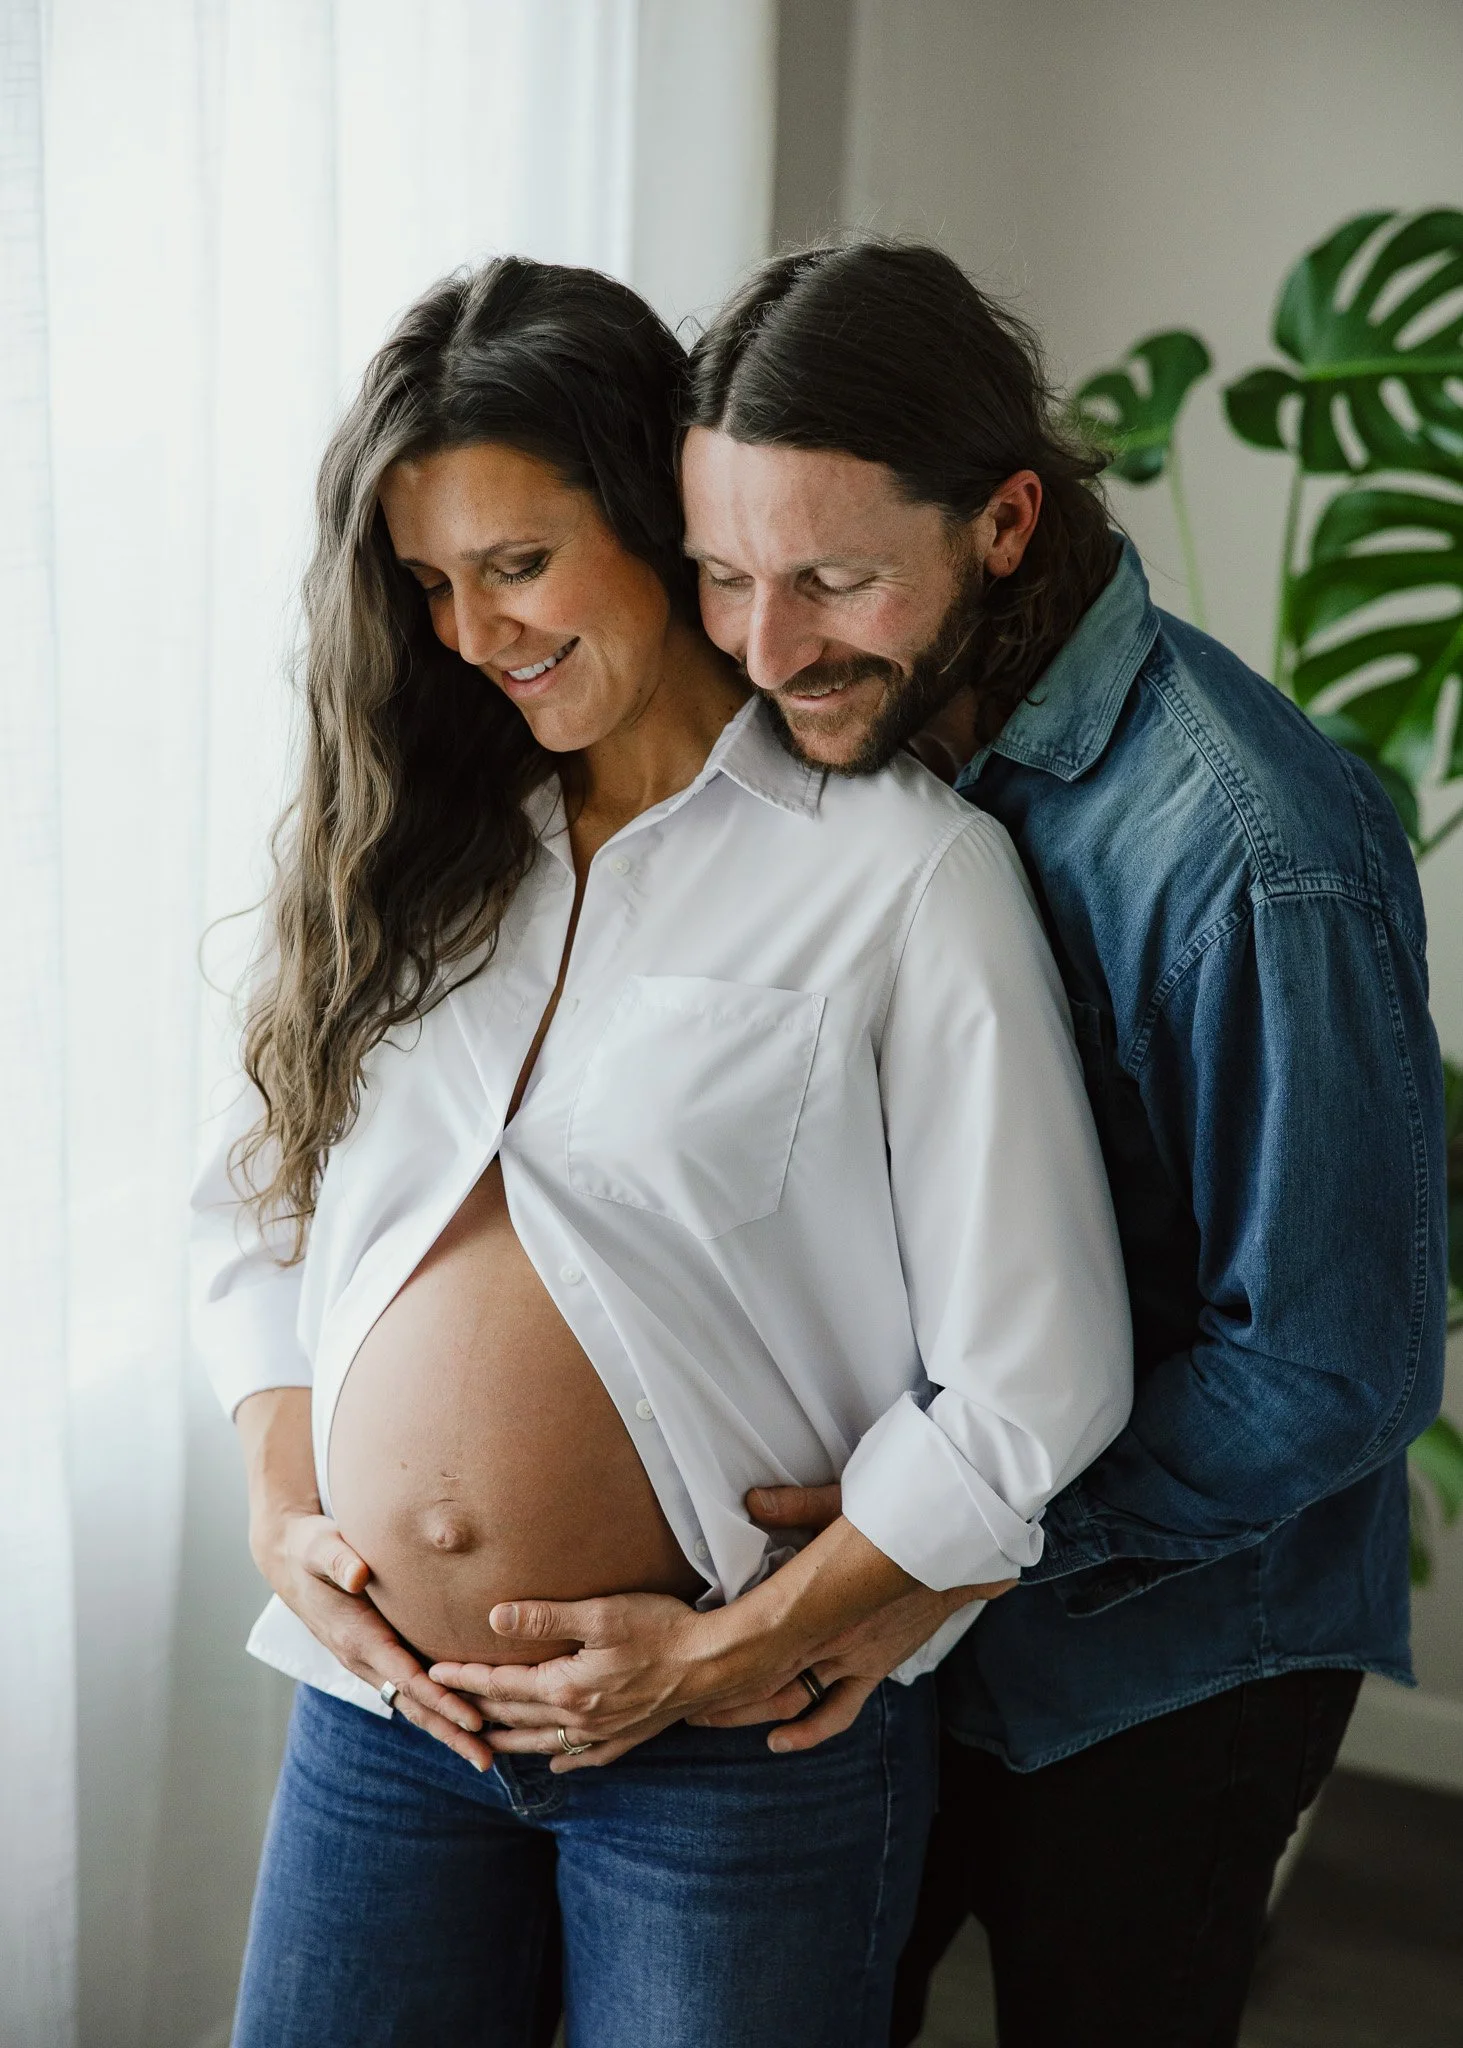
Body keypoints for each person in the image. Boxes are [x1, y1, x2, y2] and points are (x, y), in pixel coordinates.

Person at [456, 242, 1448, 2048]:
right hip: (884, 1627)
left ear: (1002, 522)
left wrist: (937, 1541)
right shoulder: (848, 727)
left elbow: (1329, 1365)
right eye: (724, 575)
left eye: (834, 578)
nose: (765, 650)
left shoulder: (1243, 854)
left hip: (1161, 1666)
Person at [190, 255, 1131, 2048]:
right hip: (385, 1720)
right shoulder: (408, 842)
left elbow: (1040, 1372)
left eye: (519, 563)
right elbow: (250, 1210)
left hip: (729, 1753)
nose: (474, 633)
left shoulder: (899, 876)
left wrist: (742, 1642)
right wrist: (280, 1502)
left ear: (654, 506)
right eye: (429, 584)